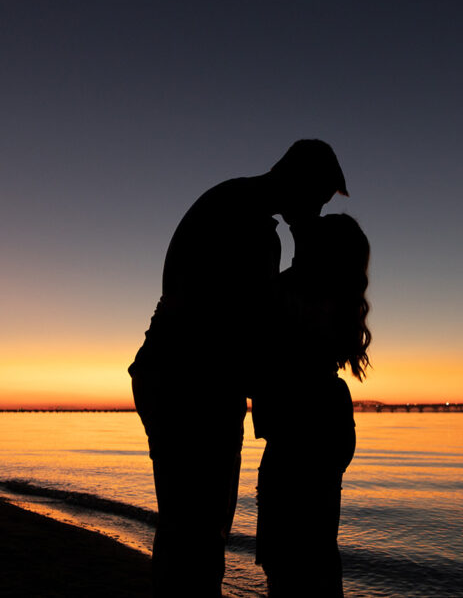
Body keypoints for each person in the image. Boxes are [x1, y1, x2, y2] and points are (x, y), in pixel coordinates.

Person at [129, 140, 348, 596]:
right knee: (197, 533)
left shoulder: (234, 205)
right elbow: (249, 329)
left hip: (179, 375)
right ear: (300, 180)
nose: (315, 212)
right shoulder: (247, 226)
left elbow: (251, 327)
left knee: (190, 530)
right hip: (191, 384)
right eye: (318, 200)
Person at [252, 213, 371, 597]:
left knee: (295, 559)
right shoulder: (333, 296)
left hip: (305, 429)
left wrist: (291, 226)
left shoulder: (308, 299)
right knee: (312, 554)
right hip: (323, 422)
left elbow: (273, 293)